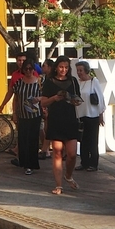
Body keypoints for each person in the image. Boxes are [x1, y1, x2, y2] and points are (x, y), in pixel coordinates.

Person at [40, 56, 80, 194]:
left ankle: (68, 176)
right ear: (56, 67)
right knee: (57, 151)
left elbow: (78, 100)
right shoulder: (49, 82)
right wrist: (54, 98)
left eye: (66, 67)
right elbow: (43, 102)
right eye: (61, 67)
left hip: (70, 119)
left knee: (72, 154)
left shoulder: (73, 81)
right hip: (55, 119)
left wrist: (73, 100)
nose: (64, 70)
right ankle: (58, 185)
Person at [74, 60, 106, 172]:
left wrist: (101, 114)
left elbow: (100, 99)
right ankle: (84, 162)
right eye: (77, 70)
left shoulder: (94, 81)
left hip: (92, 115)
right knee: (83, 140)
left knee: (93, 140)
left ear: (86, 70)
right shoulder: (77, 83)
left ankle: (93, 163)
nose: (79, 73)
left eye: (81, 70)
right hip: (80, 115)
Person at [13, 63, 44, 175]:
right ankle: (24, 163)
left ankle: (31, 164)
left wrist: (39, 98)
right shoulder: (19, 83)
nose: (28, 71)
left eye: (30, 69)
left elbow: (45, 96)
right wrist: (14, 113)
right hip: (22, 115)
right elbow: (15, 98)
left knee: (33, 140)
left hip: (35, 115)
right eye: (26, 69)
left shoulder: (39, 82)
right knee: (23, 140)